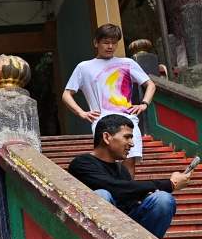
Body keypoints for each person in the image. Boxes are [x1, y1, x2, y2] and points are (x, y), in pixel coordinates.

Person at [62, 23, 165, 177]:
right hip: (102, 122)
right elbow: (66, 94)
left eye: (114, 43)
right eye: (106, 42)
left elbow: (150, 84)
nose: (110, 46)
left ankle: (128, 190)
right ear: (96, 43)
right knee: (106, 163)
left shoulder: (127, 63)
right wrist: (81, 113)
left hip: (128, 120)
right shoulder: (84, 67)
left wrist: (144, 104)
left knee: (129, 162)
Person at [67, 113, 192, 238]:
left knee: (162, 199)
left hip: (126, 230)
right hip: (91, 234)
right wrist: (170, 184)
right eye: (127, 137)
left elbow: (128, 197)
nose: (132, 143)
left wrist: (146, 195)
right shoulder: (82, 163)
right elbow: (114, 188)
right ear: (106, 137)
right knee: (101, 195)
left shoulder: (122, 170)